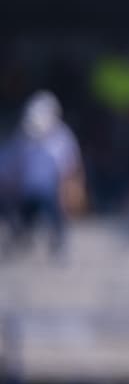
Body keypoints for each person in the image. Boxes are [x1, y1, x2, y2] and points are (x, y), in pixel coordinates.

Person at [1, 90, 84, 258]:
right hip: (25, 191)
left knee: (56, 218)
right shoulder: (21, 136)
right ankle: (20, 238)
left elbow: (70, 165)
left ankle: (59, 244)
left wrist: (69, 189)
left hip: (51, 191)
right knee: (22, 218)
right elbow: (10, 164)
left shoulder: (62, 136)